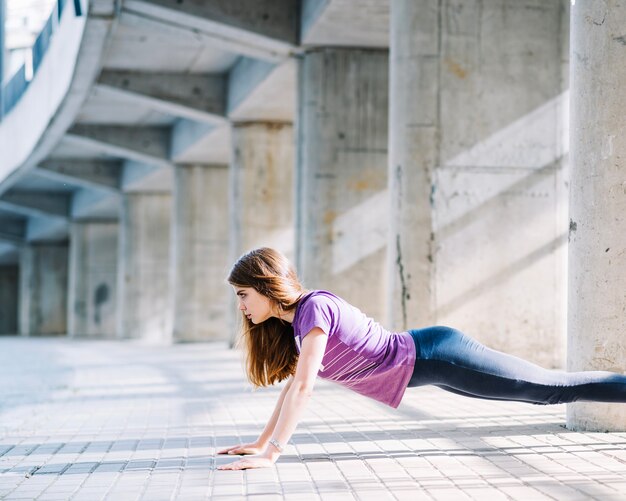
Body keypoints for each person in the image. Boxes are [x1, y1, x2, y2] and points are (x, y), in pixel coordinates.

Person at [216, 247, 626, 471]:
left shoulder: (313, 309)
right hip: (431, 366)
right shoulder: (297, 323)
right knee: (543, 392)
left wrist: (274, 453)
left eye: (243, 295)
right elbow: (293, 385)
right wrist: (259, 443)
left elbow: (305, 387)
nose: (241, 307)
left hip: (439, 356)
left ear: (265, 286)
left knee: (549, 390)